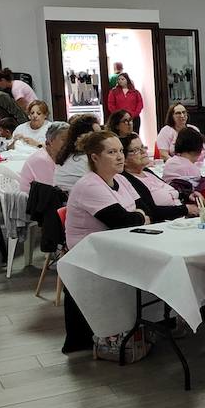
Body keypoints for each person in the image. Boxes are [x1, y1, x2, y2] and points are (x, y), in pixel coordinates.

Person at [62, 130, 154, 352]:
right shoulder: (90, 185)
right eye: (112, 152)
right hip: (89, 254)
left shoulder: (121, 180)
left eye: (121, 151)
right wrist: (140, 217)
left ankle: (155, 319)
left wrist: (139, 216)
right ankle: (136, 324)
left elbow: (147, 210)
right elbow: (123, 221)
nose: (120, 157)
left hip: (117, 244)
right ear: (95, 157)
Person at [118, 134, 197, 221]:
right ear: (124, 159)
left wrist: (188, 195)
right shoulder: (128, 180)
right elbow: (151, 211)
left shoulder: (147, 171)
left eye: (142, 147)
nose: (143, 151)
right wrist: (185, 210)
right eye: (136, 150)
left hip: (181, 216)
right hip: (167, 223)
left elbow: (168, 191)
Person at [53, 114, 102, 192]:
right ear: (84, 138)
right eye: (97, 135)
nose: (102, 139)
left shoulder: (68, 155)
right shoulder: (84, 160)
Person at [19, 122, 68, 193]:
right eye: (64, 139)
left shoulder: (56, 154)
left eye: (69, 140)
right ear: (51, 140)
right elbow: (53, 188)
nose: (68, 143)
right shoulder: (41, 159)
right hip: (34, 199)